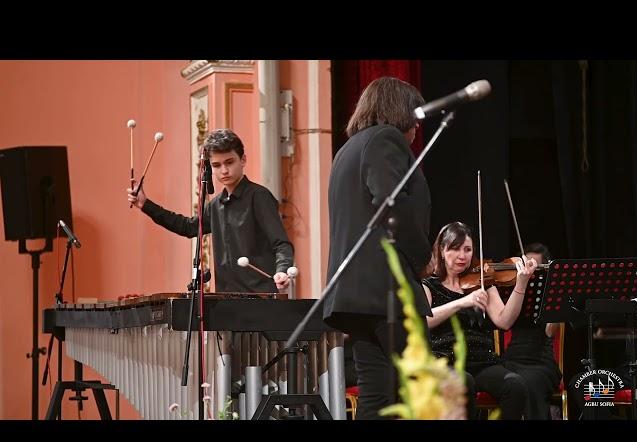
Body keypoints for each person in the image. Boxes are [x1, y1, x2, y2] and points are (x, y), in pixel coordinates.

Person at [323, 76, 432, 420]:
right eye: (414, 118)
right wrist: (423, 258)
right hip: (385, 288)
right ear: (399, 112)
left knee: (377, 398)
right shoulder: (385, 139)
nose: (416, 128)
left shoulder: (347, 150)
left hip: (354, 297)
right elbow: (391, 205)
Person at [127, 128, 294, 293]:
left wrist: (282, 269)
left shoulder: (258, 196)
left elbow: (281, 243)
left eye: (229, 162)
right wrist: (145, 204)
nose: (224, 170)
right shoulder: (216, 205)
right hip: (227, 299)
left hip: (260, 298)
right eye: (217, 165)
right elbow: (187, 226)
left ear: (243, 160)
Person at [422, 221, 538, 420]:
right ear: (442, 250)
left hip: (482, 360)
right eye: (455, 249)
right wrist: (461, 302)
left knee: (515, 385)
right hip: (445, 362)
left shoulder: (482, 281)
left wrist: (521, 283)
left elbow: (504, 321)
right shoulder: (429, 286)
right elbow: (423, 322)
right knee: (462, 383)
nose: (462, 255)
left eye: (467, 249)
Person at [500, 242, 562, 420]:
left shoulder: (550, 292)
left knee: (530, 382)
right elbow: (502, 321)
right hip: (512, 358)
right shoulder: (513, 290)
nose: (530, 271)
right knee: (507, 381)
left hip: (541, 361)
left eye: (535, 266)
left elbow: (550, 332)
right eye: (526, 265)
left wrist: (553, 295)